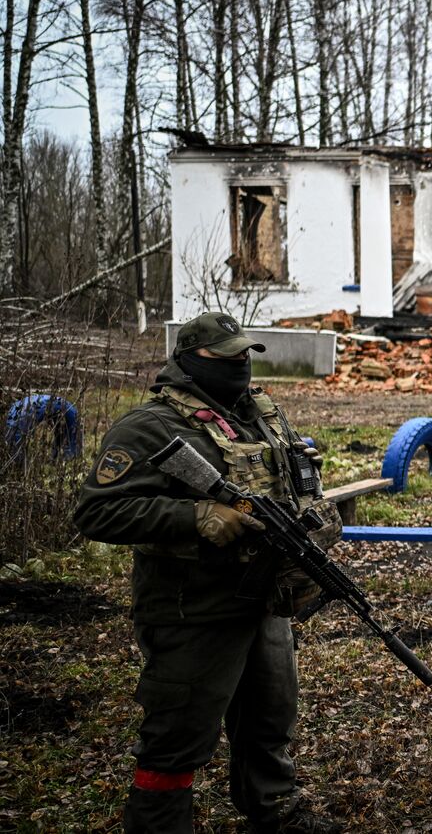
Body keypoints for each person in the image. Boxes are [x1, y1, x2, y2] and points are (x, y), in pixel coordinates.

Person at [74, 312, 344, 834]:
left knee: (269, 720)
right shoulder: (150, 426)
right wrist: (196, 516)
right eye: (228, 357)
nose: (242, 364)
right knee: (178, 736)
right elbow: (96, 512)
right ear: (193, 361)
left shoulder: (260, 413)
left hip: (262, 601)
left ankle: (274, 809)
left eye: (246, 354)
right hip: (192, 610)